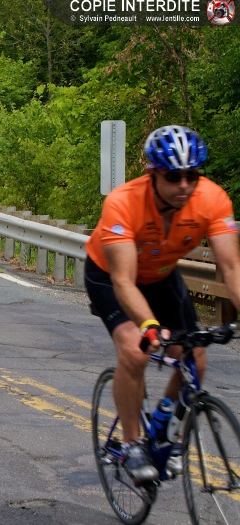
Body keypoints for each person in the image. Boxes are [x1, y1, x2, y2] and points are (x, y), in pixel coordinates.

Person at [85, 125, 240, 485]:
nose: (184, 185)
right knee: (135, 351)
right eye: (173, 177)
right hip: (111, 277)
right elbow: (124, 281)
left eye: (192, 176)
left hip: (161, 275)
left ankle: (166, 423)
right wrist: (149, 327)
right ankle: (132, 444)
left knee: (195, 357)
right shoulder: (123, 202)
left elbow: (232, 268)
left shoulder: (213, 199)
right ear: (152, 174)